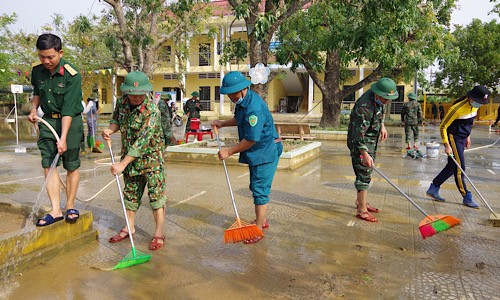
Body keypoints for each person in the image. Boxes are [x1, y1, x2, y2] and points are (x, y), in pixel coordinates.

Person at [211, 71, 282, 244]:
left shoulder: (254, 108)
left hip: (264, 152)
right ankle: (261, 220)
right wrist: (223, 123)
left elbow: (251, 139)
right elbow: (239, 119)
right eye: (228, 94)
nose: (231, 97)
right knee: (256, 186)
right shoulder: (244, 102)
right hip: (258, 151)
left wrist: (229, 151)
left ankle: (258, 228)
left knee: (259, 190)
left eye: (233, 93)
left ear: (244, 89)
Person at [102, 71, 167, 250]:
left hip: (152, 160)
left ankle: (159, 233)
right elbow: (116, 120)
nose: (137, 97)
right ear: (127, 91)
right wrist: (110, 130)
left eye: (141, 94)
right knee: (130, 195)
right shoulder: (122, 103)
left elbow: (142, 142)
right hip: (131, 161)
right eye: (133, 94)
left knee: (156, 198)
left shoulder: (152, 111)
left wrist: (122, 164)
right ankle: (129, 227)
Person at [28, 33, 83, 226]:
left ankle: (70, 206)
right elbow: (37, 93)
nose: (46, 61)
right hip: (48, 122)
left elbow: (68, 109)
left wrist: (64, 137)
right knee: (48, 165)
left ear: (60, 52)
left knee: (71, 165)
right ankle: (55, 209)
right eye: (42, 56)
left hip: (71, 122)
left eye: (50, 57)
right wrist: (34, 109)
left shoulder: (72, 74)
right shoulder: (37, 71)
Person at [426, 85, 491, 208]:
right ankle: (466, 196)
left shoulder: (475, 107)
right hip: (453, 138)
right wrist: (447, 145)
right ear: (470, 98)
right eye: (479, 102)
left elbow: (468, 123)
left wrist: (468, 137)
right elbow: (443, 126)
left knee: (452, 167)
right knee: (460, 168)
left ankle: (433, 188)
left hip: (462, 138)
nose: (480, 104)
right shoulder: (456, 109)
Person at [347, 77, 399, 222]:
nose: (386, 102)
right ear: (377, 94)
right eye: (384, 99)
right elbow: (358, 135)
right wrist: (364, 154)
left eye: (388, 99)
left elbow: (380, 111)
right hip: (360, 143)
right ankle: (361, 210)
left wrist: (382, 125)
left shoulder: (379, 98)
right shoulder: (364, 107)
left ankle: (360, 201)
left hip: (371, 140)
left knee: (366, 171)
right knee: (364, 173)